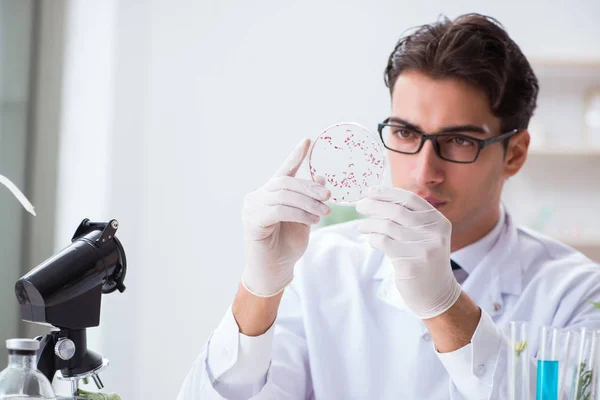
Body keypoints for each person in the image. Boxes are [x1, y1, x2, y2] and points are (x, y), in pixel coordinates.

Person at [178, 13, 600, 399]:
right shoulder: (320, 267)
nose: (424, 170)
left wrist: (445, 304)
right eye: (404, 133)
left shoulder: (577, 293)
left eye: (459, 141)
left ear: (515, 154)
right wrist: (258, 289)